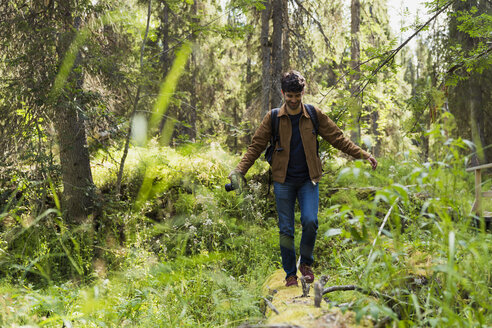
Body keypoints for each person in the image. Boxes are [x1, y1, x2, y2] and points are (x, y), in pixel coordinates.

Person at [229, 70, 378, 287]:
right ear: (283, 93)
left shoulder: (313, 114)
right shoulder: (273, 118)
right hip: (283, 181)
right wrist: (239, 171)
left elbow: (338, 138)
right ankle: (290, 274)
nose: (293, 100)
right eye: (289, 95)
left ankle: (305, 264)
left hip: (309, 180)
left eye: (297, 95)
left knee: (310, 221)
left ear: (303, 93)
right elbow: (255, 147)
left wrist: (363, 154)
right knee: (286, 230)